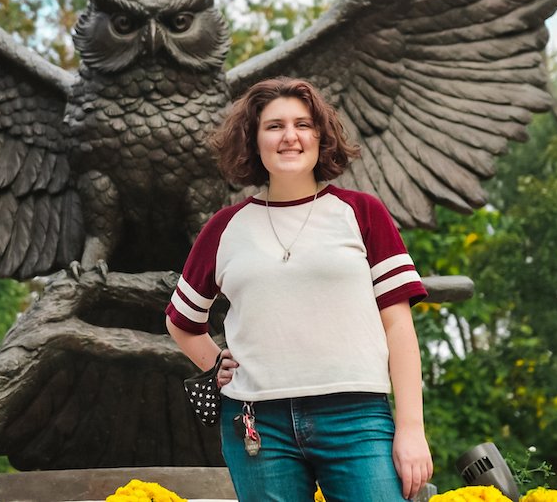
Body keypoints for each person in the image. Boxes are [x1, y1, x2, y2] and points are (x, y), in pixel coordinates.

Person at [165, 77, 433, 501]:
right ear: (253, 141)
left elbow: (398, 327)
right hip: (257, 425)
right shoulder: (224, 228)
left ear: (320, 137)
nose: (290, 136)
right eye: (274, 126)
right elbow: (181, 321)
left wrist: (412, 429)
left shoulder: (362, 213)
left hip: (357, 418)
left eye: (303, 124)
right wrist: (216, 363)